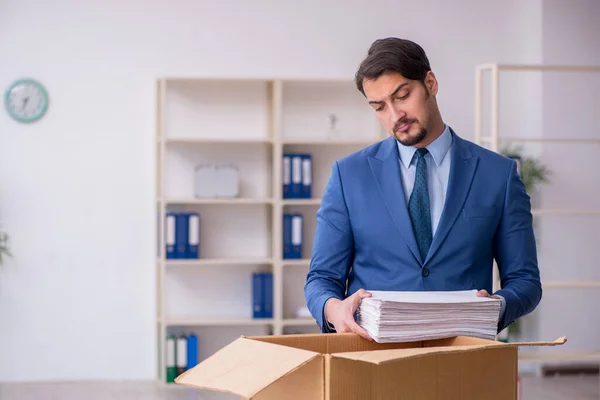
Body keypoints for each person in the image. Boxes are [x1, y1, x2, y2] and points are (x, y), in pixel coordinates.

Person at [303, 37, 542, 340]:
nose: (394, 116)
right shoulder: (349, 175)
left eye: (402, 96)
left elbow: (525, 280)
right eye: (379, 107)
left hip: (462, 360)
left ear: (430, 82)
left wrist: (496, 306)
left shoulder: (498, 175)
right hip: (370, 361)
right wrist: (333, 309)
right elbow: (321, 279)